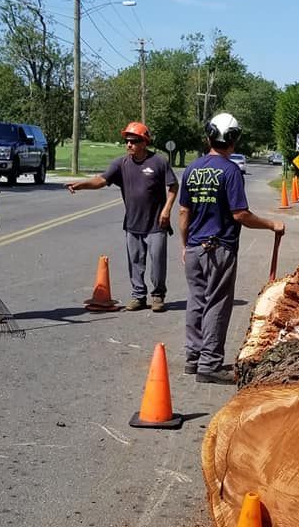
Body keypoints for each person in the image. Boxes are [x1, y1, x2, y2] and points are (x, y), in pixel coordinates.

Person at [178, 112, 285, 383]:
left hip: (193, 248)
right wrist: (271, 224)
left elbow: (183, 213)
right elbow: (240, 215)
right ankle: (210, 364)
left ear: (208, 137)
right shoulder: (230, 171)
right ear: (234, 140)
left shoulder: (192, 169)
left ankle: (193, 357)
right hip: (218, 249)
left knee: (196, 301)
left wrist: (184, 245)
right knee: (216, 303)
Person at [68, 121, 178, 311]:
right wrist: (82, 185)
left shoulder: (159, 162)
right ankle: (138, 296)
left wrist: (167, 209)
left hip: (156, 224)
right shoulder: (121, 164)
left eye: (134, 141)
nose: (129, 145)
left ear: (144, 142)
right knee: (135, 262)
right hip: (133, 223)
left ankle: (158, 295)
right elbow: (102, 180)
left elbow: (173, 186)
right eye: (127, 141)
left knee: (158, 262)